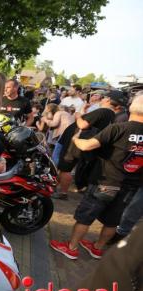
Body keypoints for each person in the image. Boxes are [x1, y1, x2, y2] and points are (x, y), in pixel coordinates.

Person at [50, 94, 143, 260]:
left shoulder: (118, 128)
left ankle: (71, 248)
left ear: (131, 108)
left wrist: (76, 139)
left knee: (85, 217)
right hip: (130, 186)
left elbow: (87, 146)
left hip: (105, 181)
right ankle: (98, 248)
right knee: (113, 221)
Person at [53, 90, 126, 200]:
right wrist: (84, 111)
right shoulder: (110, 115)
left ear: (108, 100)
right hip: (78, 143)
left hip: (74, 143)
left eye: (103, 97)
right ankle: (56, 188)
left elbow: (82, 124)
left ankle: (63, 193)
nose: (101, 99)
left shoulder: (102, 111)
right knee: (64, 167)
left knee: (65, 168)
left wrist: (78, 115)